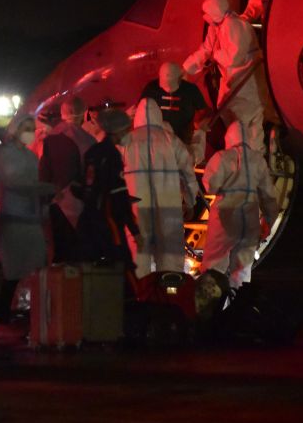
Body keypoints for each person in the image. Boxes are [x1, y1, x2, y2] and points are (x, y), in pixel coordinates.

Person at [0, 114, 52, 335]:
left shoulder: (30, 157)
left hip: (30, 218)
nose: (30, 132)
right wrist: (42, 189)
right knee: (13, 270)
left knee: (35, 266)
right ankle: (3, 314)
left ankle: (31, 313)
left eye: (33, 128)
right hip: (12, 218)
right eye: (27, 128)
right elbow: (15, 183)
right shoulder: (3, 154)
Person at [121, 98, 199, 277]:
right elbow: (188, 172)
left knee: (138, 255)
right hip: (168, 207)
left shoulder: (126, 141)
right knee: (170, 256)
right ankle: (171, 296)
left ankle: (141, 295)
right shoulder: (170, 140)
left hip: (136, 208)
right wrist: (190, 200)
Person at [183, 0, 267, 153]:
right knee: (235, 125)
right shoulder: (217, 26)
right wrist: (187, 68)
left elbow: (234, 57)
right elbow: (207, 48)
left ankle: (252, 162)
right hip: (233, 85)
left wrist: (216, 55)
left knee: (248, 128)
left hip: (247, 87)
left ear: (214, 12)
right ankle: (239, 161)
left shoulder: (234, 25)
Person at [201, 121, 279, 288]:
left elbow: (210, 185)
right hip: (250, 220)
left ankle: (212, 308)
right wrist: (268, 222)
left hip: (225, 218)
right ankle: (237, 309)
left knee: (213, 269)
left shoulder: (222, 157)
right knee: (242, 273)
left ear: (228, 138)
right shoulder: (258, 161)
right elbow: (269, 197)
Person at [75, 108, 142, 265]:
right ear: (118, 131)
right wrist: (135, 231)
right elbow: (119, 197)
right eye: (127, 129)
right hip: (109, 224)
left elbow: (82, 187)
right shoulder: (112, 156)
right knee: (122, 273)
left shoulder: (93, 152)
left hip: (88, 222)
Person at [40, 97, 96, 262]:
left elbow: (44, 170)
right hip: (77, 201)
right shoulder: (87, 139)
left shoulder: (50, 137)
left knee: (59, 250)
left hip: (54, 201)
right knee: (77, 250)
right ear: (83, 113)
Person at [140, 62, 210, 163]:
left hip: (184, 139)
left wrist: (202, 121)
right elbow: (141, 111)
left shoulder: (190, 90)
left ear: (179, 78)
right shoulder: (151, 89)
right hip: (158, 142)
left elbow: (205, 111)